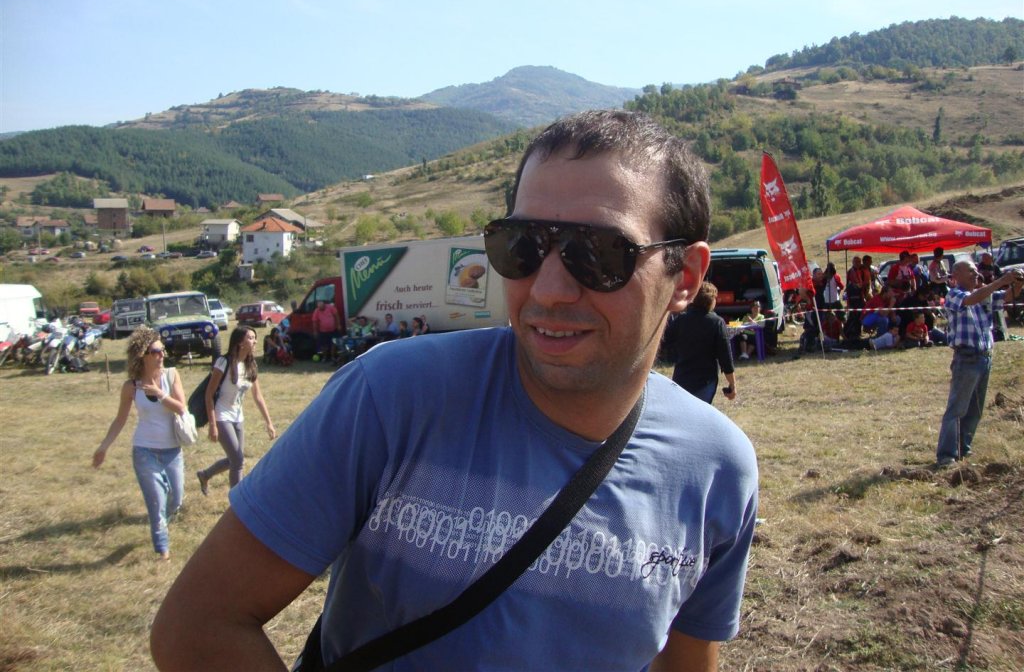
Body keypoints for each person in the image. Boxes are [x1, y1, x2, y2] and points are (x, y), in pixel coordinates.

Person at [151, 110, 759, 671]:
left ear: (686, 277)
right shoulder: (389, 398)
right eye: (523, 246)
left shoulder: (715, 469)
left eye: (600, 253)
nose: (549, 289)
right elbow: (197, 625)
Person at [92, 326, 187, 560]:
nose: (161, 355)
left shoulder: (171, 375)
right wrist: (103, 447)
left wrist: (160, 394)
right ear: (143, 355)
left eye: (162, 350)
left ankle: (162, 522)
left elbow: (181, 408)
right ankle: (163, 550)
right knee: (156, 502)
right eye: (156, 351)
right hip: (144, 452)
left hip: (172, 451)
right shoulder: (131, 387)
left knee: (176, 499)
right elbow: (120, 419)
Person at [934, 261, 1024, 467]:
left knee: (975, 409)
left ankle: (963, 449)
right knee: (957, 408)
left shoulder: (983, 294)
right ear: (957, 274)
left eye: (976, 270)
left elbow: (1007, 297)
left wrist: (1017, 283)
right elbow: (970, 299)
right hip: (967, 358)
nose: (976, 274)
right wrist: (1001, 280)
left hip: (984, 357)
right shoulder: (954, 294)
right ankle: (946, 455)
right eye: (971, 271)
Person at [196, 327, 276, 495]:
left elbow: (258, 396)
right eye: (251, 338)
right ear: (240, 342)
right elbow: (209, 394)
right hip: (221, 415)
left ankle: (205, 475)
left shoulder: (251, 365)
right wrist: (212, 425)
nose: (255, 341)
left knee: (235, 459)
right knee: (238, 460)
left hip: (238, 417)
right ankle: (237, 502)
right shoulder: (223, 362)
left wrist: (268, 422)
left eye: (255, 338)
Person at [663, 281, 738, 404]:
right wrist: (732, 384)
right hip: (704, 382)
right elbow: (725, 357)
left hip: (681, 378)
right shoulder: (716, 322)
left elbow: (664, 341)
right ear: (711, 300)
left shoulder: (681, 319)